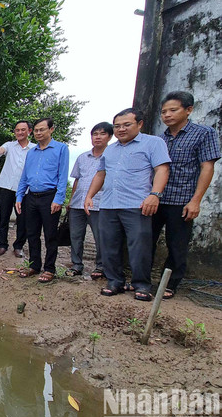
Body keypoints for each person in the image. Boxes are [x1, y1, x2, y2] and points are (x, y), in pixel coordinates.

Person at [84, 108, 170, 302]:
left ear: (139, 124)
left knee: (139, 245)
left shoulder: (153, 143)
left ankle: (142, 285)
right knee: (108, 245)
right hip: (108, 204)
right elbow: (101, 174)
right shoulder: (110, 149)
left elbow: (162, 169)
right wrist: (89, 195)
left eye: (126, 125)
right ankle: (115, 281)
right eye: (117, 126)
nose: (121, 129)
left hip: (136, 204)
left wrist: (155, 195)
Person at [152, 91, 220, 299]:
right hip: (156, 198)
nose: (167, 115)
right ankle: (142, 280)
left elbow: (207, 167)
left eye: (173, 110)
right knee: (146, 240)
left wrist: (195, 200)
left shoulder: (203, 133)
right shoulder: (159, 139)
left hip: (182, 200)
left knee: (177, 245)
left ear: (188, 110)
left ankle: (169, 284)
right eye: (164, 112)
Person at [15, 118, 69, 283]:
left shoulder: (61, 149)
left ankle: (49, 269)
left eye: (42, 130)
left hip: (50, 197)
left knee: (50, 235)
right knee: (32, 233)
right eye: (36, 130)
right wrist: (19, 196)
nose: (38, 133)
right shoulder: (31, 152)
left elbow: (63, 176)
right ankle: (34, 265)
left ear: (51, 129)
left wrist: (58, 199)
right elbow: (24, 176)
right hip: (31, 197)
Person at [65, 122, 113, 279]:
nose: (98, 137)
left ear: (109, 137)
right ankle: (76, 265)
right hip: (77, 203)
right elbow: (77, 180)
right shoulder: (82, 157)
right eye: (95, 134)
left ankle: (100, 266)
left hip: (99, 204)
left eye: (102, 134)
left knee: (100, 237)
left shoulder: (112, 157)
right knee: (76, 236)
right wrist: (71, 200)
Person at [0, 121, 36, 258]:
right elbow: (1, 150)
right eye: (17, 130)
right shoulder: (9, 145)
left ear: (29, 131)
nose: (20, 132)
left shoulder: (34, 148)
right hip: (6, 186)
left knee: (23, 219)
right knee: (3, 217)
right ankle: (2, 245)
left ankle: (18, 246)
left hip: (24, 189)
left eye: (23, 130)